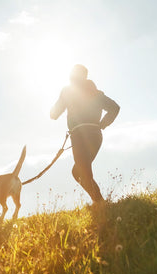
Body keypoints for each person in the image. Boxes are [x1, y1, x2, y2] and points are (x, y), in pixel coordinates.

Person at [50, 64, 120, 203]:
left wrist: (59, 104)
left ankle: (100, 204)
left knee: (82, 170)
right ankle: (99, 202)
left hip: (80, 135)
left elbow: (53, 114)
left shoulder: (68, 91)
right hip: (95, 135)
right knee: (78, 171)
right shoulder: (96, 92)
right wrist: (102, 124)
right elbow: (115, 108)